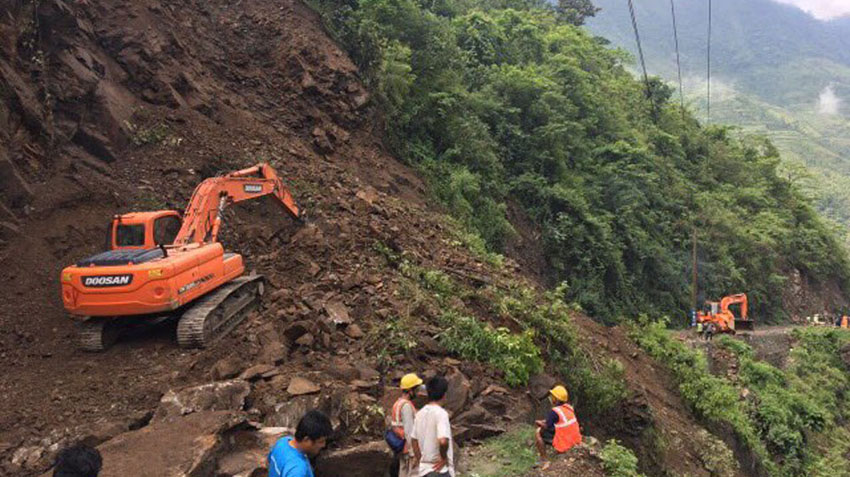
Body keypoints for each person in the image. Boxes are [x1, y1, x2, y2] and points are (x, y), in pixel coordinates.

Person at [268, 410, 333, 477]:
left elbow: (270, 461)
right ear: (306, 440)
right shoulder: (298, 470)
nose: (323, 445)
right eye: (321, 442)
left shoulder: (283, 442)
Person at [411, 376, 454, 477]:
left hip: (424, 470)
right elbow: (443, 441)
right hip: (440, 470)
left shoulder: (420, 414)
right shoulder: (441, 414)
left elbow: (414, 440)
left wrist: (420, 460)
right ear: (444, 395)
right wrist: (444, 458)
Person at [534, 385, 581, 470]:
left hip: (565, 440)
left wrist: (539, 423)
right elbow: (559, 421)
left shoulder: (554, 411)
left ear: (556, 399)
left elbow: (546, 426)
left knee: (538, 432)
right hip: (574, 439)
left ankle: (543, 459)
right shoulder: (569, 408)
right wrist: (545, 421)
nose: (551, 398)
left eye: (553, 397)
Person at [389, 373, 423, 477]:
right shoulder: (406, 406)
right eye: (416, 389)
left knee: (403, 473)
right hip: (408, 448)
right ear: (410, 390)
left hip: (400, 446)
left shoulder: (398, 403)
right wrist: (414, 453)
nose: (418, 392)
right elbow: (409, 431)